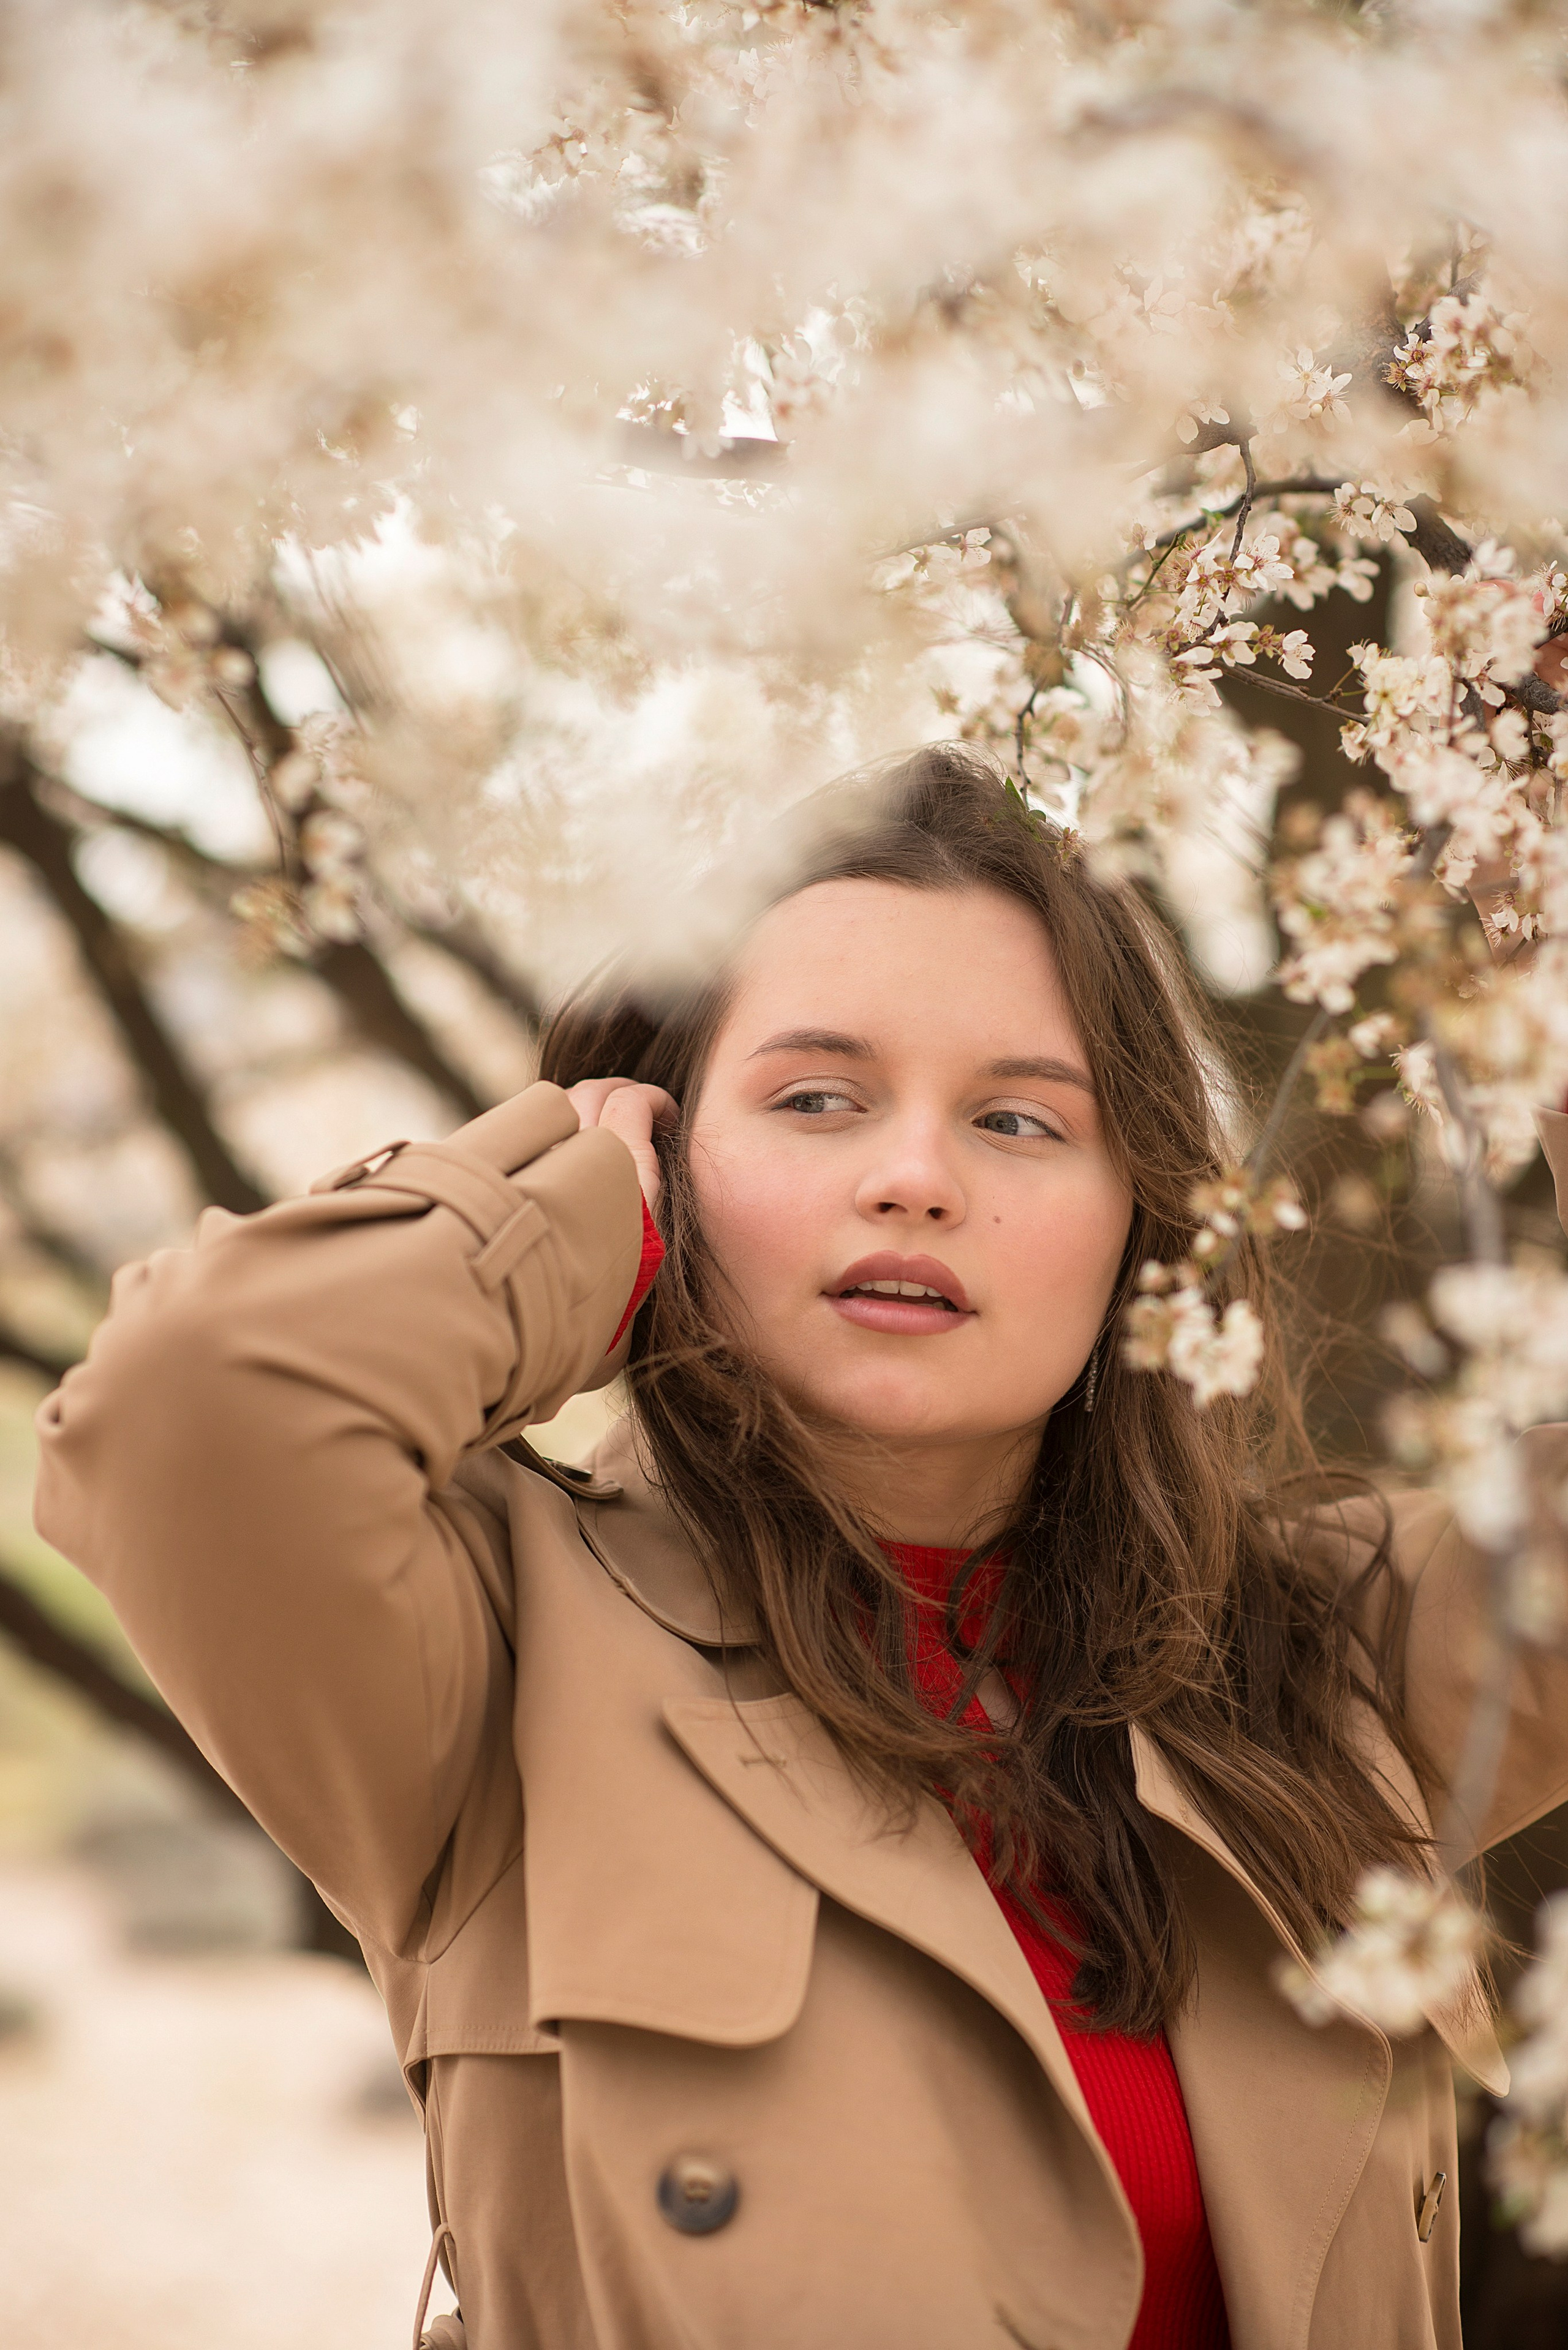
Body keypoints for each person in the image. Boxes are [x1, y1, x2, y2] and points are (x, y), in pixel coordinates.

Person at [31, 744, 1568, 2350]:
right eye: (814, 1098)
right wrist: (560, 1199)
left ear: (1138, 1224)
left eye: (1021, 1120)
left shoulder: (1321, 1650)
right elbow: (181, 1411)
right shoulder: (488, 1658)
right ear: (669, 1160)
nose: (913, 1177)